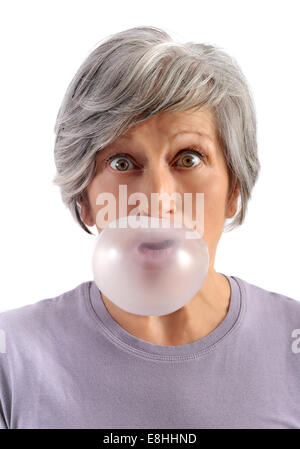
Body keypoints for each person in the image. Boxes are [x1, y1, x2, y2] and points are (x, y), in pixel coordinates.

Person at [0, 26, 299, 429]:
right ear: (85, 199)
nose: (157, 199)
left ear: (234, 190)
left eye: (188, 159)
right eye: (122, 163)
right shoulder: (12, 357)